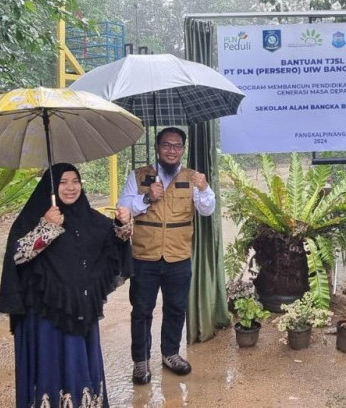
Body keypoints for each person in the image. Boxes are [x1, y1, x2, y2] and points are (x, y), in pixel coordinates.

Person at [0, 163, 133, 407]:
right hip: (44, 311)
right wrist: (47, 227)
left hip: (82, 308)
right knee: (51, 363)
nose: (71, 188)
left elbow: (114, 244)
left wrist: (123, 224)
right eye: (62, 182)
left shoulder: (90, 218)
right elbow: (17, 256)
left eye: (75, 181)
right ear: (50, 187)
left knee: (79, 363)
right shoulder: (33, 217)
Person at [118, 127, 215, 385]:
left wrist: (204, 189)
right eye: (166, 145)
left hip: (178, 256)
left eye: (177, 146)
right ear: (157, 148)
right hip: (144, 257)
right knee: (141, 311)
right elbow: (123, 208)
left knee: (175, 308)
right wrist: (147, 198)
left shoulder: (193, 177)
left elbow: (207, 210)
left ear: (183, 149)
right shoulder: (139, 176)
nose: (171, 150)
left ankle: (170, 354)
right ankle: (141, 362)